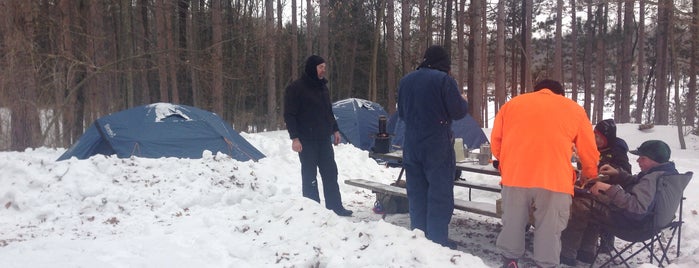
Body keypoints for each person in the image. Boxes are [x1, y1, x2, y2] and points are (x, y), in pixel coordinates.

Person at [490, 79, 600, 268]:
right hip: (555, 179)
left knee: (513, 222)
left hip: (515, 176)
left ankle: (510, 260)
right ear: (560, 94)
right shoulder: (574, 109)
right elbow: (588, 150)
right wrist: (589, 174)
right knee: (550, 227)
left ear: (536, 91)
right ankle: (545, 264)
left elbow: (496, 141)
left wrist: (506, 165)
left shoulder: (512, 105)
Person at [560, 140, 680, 266]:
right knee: (594, 198)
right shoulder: (665, 173)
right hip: (650, 223)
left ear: (655, 160)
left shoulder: (651, 179)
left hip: (633, 226)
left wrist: (608, 188)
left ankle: (566, 254)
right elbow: (638, 184)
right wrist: (618, 174)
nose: (638, 161)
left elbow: (637, 208)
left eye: (643, 158)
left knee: (581, 204)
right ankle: (586, 251)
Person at [397, 45, 468, 249]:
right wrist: (463, 100)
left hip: (411, 143)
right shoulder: (444, 80)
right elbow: (458, 112)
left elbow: (401, 113)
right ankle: (437, 242)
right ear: (444, 63)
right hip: (436, 144)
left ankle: (419, 238)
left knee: (417, 192)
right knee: (439, 193)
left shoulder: (406, 80)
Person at [283, 55, 353, 217]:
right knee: (309, 176)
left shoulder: (323, 88)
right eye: (321, 67)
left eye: (324, 67)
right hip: (306, 140)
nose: (323, 70)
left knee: (330, 173)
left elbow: (328, 111)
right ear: (312, 68)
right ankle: (312, 211)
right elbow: (289, 115)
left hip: (323, 139)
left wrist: (335, 130)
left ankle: (335, 207)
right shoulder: (296, 88)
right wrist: (295, 138)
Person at [591, 118, 632, 255]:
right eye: (595, 136)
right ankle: (585, 240)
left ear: (607, 138)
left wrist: (612, 171)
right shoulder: (594, 147)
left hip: (611, 189)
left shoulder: (617, 150)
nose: (596, 140)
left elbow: (626, 172)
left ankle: (606, 243)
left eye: (599, 137)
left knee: (600, 206)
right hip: (592, 184)